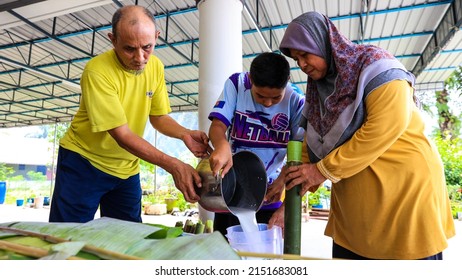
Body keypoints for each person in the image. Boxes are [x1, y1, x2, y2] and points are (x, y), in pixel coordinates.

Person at [276, 11, 455, 259]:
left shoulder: (374, 65)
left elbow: (384, 127)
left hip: (404, 196)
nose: (302, 64)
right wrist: (288, 204)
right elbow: (312, 144)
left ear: (324, 42)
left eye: (305, 54)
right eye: (296, 59)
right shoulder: (320, 92)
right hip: (355, 216)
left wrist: (321, 170)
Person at [49, 5, 208, 223]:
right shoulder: (97, 71)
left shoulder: (156, 67)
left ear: (157, 37)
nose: (140, 57)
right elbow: (121, 134)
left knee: (128, 237)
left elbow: (159, 117)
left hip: (126, 168)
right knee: (67, 236)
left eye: (147, 47)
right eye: (129, 48)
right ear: (113, 40)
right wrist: (173, 165)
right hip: (83, 163)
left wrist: (185, 134)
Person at [207, 52, 305, 236]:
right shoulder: (237, 85)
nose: (267, 103)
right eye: (260, 96)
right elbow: (218, 125)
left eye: (276, 98)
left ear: (287, 82)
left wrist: (283, 180)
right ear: (251, 79)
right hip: (233, 188)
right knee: (226, 249)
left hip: (271, 191)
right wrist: (221, 145)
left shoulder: (296, 100)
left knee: (264, 254)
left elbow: (302, 152)